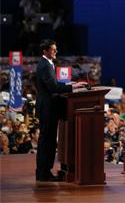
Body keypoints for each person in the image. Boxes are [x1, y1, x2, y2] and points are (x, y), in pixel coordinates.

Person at [35, 39, 86, 181]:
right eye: (53, 49)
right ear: (45, 51)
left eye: (56, 49)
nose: (56, 51)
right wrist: (73, 87)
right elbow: (53, 88)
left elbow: (53, 84)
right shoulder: (45, 65)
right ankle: (44, 173)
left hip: (49, 108)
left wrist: (68, 84)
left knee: (48, 141)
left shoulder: (47, 64)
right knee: (47, 142)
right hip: (47, 108)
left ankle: (44, 172)